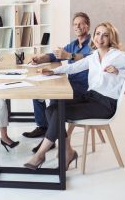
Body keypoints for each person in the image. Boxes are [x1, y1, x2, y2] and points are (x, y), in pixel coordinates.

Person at [23, 22, 125, 170]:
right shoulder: (94, 56)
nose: (100, 38)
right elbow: (74, 67)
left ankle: (40, 154)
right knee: (51, 109)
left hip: (105, 105)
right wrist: (53, 71)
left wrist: (119, 72)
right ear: (93, 37)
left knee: (59, 111)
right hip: (90, 97)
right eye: (98, 34)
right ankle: (68, 151)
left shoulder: (120, 56)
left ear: (111, 38)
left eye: (105, 35)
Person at [23, 12, 92, 153]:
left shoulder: (93, 44)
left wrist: (69, 56)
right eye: (75, 24)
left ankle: (50, 138)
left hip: (83, 89)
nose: (77, 26)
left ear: (88, 26)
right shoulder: (73, 44)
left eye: (81, 23)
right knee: (38, 93)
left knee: (55, 98)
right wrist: (40, 59)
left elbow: (89, 59)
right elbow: (56, 55)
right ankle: (43, 127)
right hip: (70, 82)